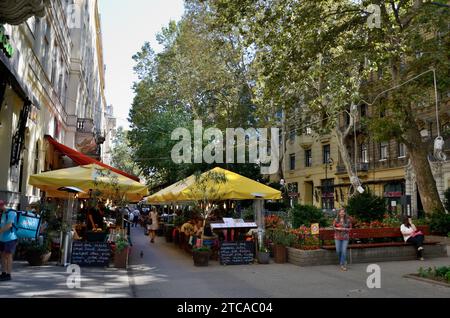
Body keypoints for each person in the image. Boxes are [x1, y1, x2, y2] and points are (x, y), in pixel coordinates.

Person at [0, 200, 17, 281]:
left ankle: (8, 274)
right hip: (2, 238)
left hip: (10, 238)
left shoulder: (11, 213)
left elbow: (9, 225)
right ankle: (3, 273)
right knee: (2, 255)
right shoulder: (4, 213)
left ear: (3, 205)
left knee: (8, 256)